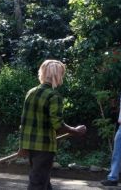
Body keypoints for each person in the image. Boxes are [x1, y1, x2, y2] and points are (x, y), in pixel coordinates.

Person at [18, 59, 87, 190]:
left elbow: (24, 121)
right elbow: (58, 125)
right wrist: (76, 131)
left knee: (43, 180)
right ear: (58, 75)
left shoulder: (31, 92)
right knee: (37, 183)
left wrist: (22, 146)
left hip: (30, 145)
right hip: (44, 146)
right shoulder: (54, 96)